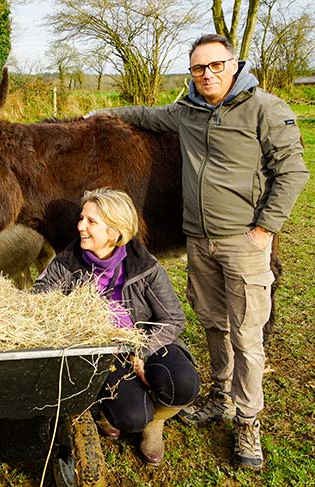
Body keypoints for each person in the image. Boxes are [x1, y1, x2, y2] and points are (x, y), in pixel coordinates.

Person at [86, 34, 310, 470]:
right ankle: (221, 395)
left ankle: (248, 422)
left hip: (243, 241)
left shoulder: (264, 108)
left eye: (215, 65)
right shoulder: (187, 112)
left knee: (247, 333)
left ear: (234, 64)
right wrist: (102, 114)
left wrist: (265, 228)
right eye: (197, 68)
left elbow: (293, 171)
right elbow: (148, 116)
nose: (206, 74)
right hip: (200, 243)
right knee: (212, 322)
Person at [34, 188, 200, 465]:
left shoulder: (144, 266)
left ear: (115, 232)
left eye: (91, 222)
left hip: (147, 340)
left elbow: (173, 318)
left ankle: (156, 421)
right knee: (132, 417)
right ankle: (114, 411)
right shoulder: (67, 261)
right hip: (103, 352)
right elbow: (40, 297)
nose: (80, 227)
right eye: (81, 218)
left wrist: (142, 351)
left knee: (182, 385)